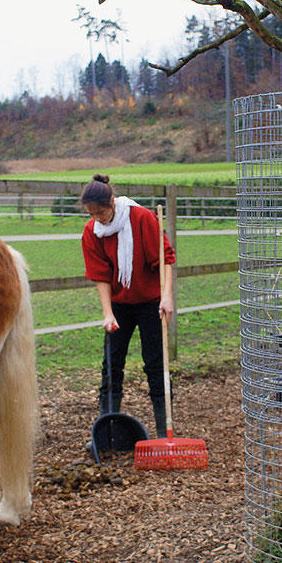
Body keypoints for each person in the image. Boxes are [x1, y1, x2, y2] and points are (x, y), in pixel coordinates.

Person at [80, 174, 175, 438]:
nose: (98, 218)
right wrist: (108, 313)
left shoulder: (142, 218)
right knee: (111, 366)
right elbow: (100, 274)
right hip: (119, 305)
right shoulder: (92, 231)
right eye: (91, 214)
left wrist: (167, 296)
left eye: (101, 212)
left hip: (151, 303)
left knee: (155, 365)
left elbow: (166, 259)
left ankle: (163, 432)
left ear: (112, 202)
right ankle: (108, 431)